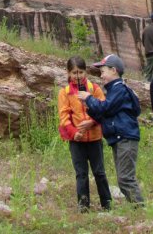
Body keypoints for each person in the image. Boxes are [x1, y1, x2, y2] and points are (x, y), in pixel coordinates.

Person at [78, 54, 144, 205]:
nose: (101, 76)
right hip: (118, 138)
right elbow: (105, 114)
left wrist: (89, 98)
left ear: (114, 70)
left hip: (125, 138)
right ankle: (138, 207)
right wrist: (90, 108)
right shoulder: (114, 90)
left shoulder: (119, 89)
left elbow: (105, 108)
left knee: (125, 179)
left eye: (103, 72)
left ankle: (140, 208)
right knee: (123, 178)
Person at [58, 55, 112, 212]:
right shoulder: (65, 93)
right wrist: (74, 132)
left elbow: (103, 110)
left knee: (99, 172)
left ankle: (107, 204)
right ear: (68, 73)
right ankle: (83, 206)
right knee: (81, 174)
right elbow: (64, 117)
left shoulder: (94, 89)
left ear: (86, 72)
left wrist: (92, 122)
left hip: (95, 138)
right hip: (77, 141)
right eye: (74, 73)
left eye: (80, 72)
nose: (78, 76)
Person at [141, 13, 153, 82]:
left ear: (151, 19)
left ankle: (147, 85)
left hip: (148, 54)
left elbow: (143, 42)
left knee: (148, 74)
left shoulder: (145, 29)